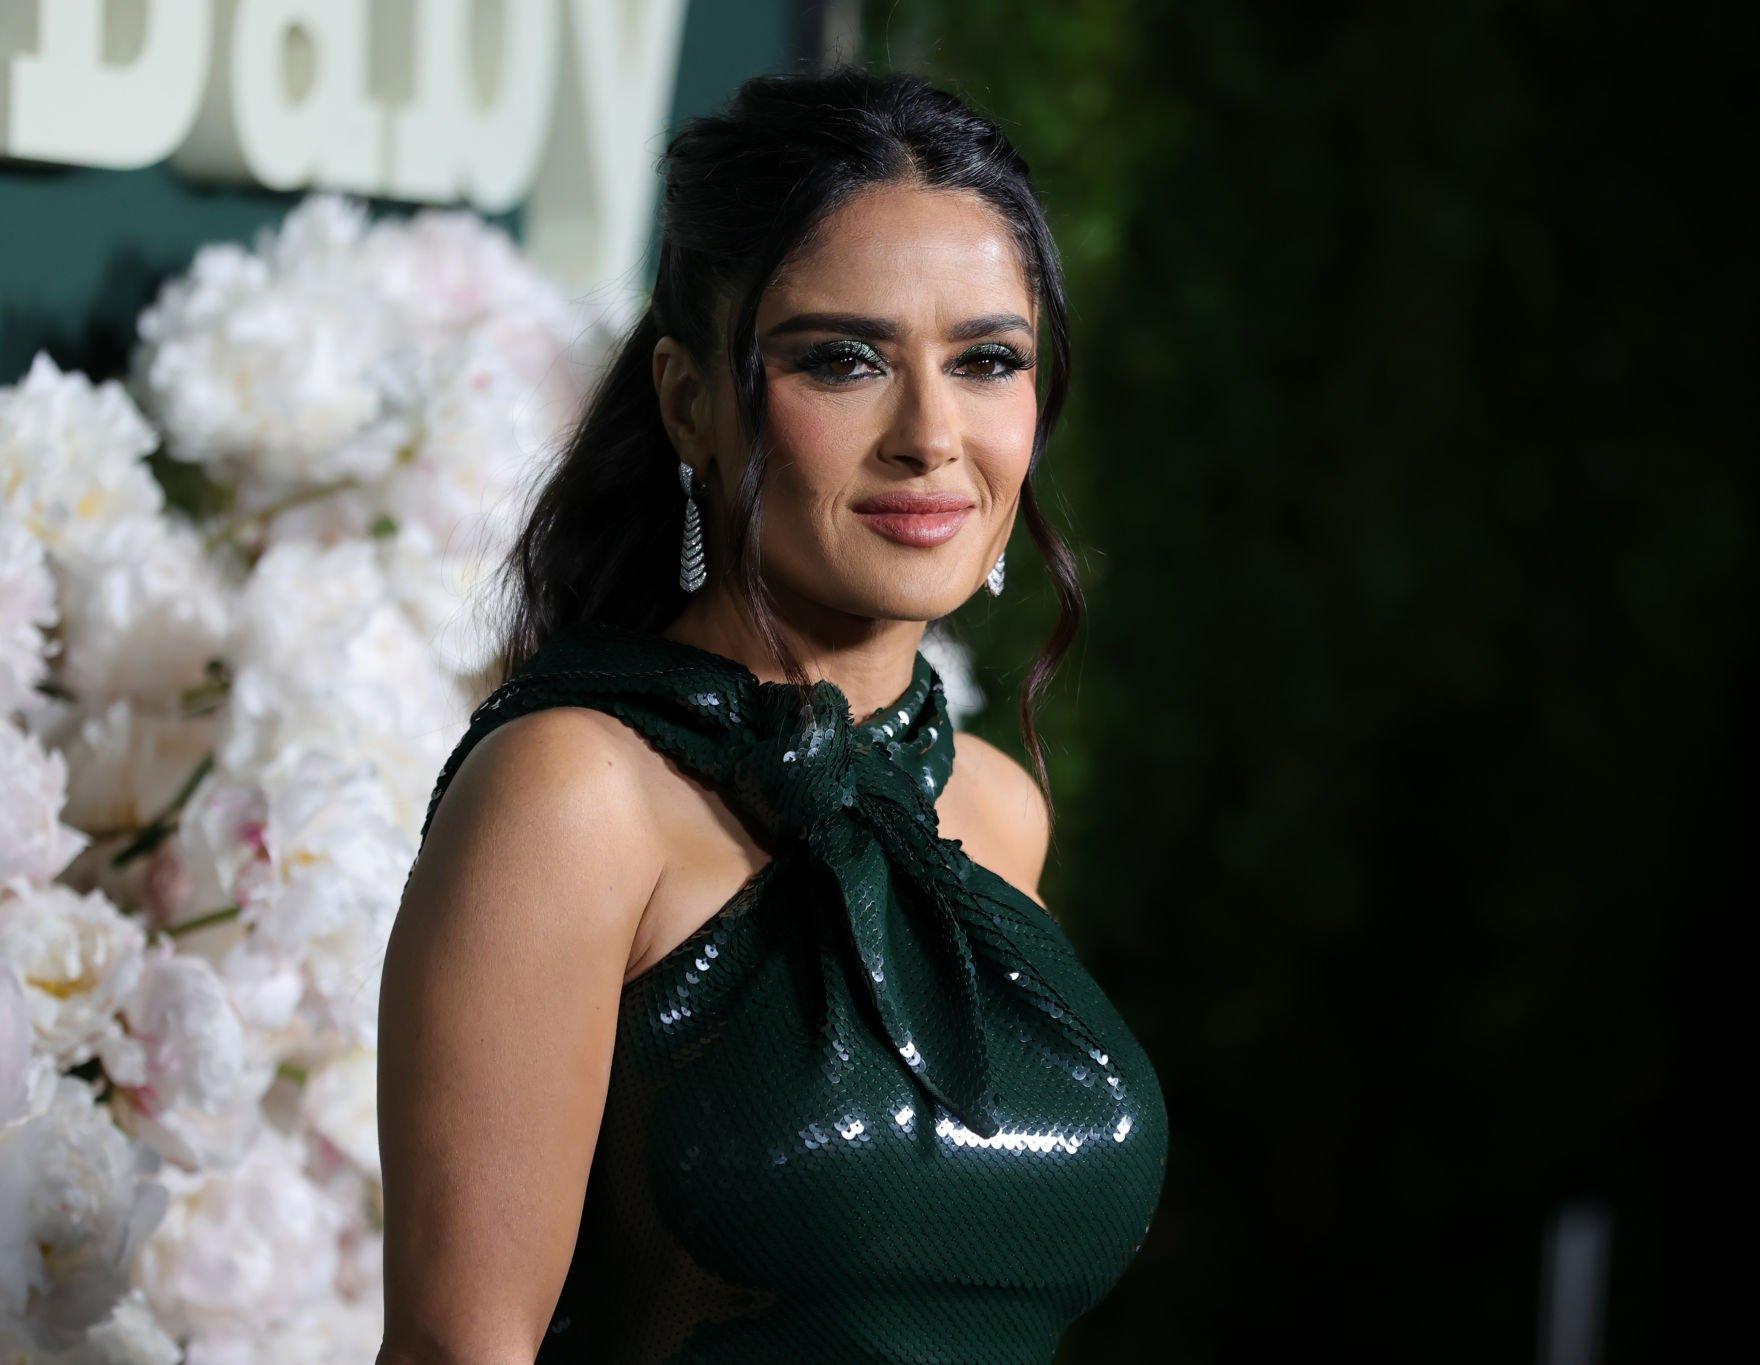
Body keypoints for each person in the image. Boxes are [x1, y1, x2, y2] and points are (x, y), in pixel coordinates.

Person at [374, 68, 1170, 1364]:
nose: (931, 434)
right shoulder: (572, 795)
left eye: (987, 361)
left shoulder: (991, 806)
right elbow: (457, 1351)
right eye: (843, 359)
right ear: (689, 401)